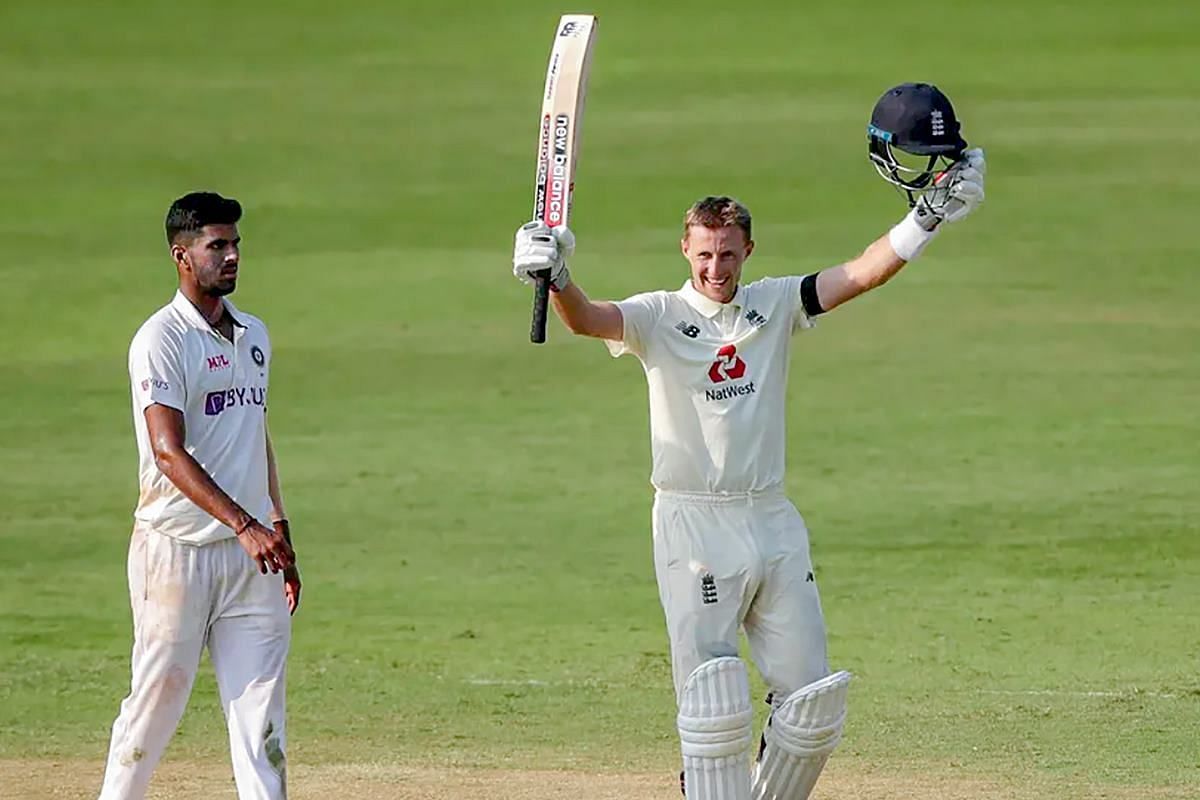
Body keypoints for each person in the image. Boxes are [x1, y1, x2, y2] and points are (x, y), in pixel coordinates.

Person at [511, 115, 986, 798]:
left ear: (748, 251)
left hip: (770, 517)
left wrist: (926, 219)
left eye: (728, 255)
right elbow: (589, 319)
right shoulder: (656, 316)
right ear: (685, 250)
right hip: (692, 523)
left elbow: (860, 274)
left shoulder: (773, 304)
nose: (715, 268)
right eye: (704, 255)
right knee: (714, 707)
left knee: (813, 707)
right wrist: (555, 277)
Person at [98, 192, 301, 800]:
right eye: (218, 246)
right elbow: (168, 451)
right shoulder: (160, 340)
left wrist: (278, 524)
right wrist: (245, 525)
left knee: (263, 720)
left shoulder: (254, 334)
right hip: (175, 555)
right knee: (154, 707)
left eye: (235, 243)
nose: (232, 255)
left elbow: (253, 432)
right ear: (181, 256)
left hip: (252, 560)